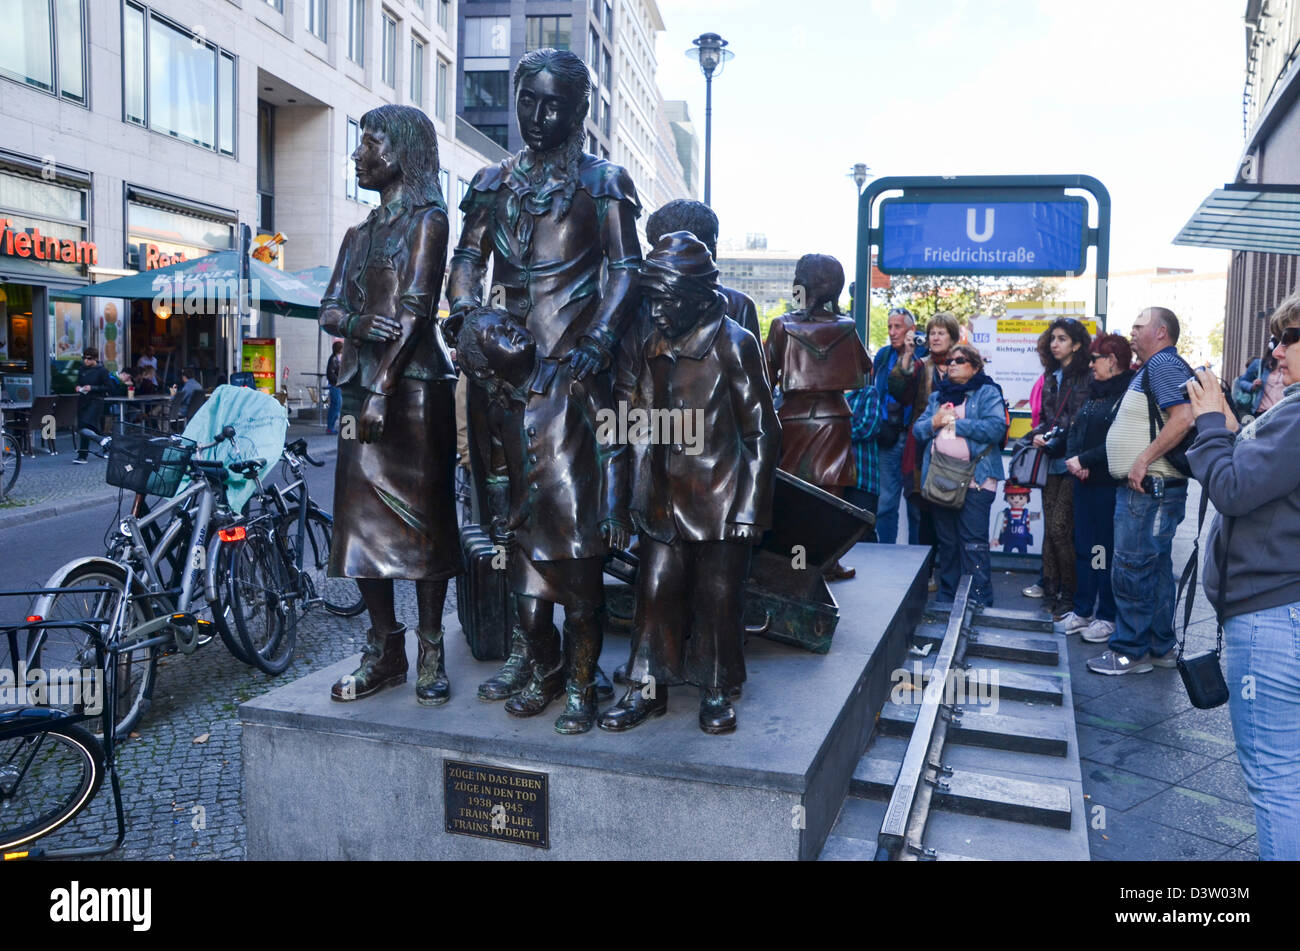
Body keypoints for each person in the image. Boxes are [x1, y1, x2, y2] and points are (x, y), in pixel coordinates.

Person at [445, 48, 643, 700]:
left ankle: (575, 665)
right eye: (528, 99)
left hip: (571, 379)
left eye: (554, 102)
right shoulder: (493, 183)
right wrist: (469, 314)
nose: (538, 114)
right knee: (507, 516)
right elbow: (468, 258)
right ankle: (532, 652)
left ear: (580, 109)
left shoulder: (601, 182)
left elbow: (626, 270)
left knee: (571, 520)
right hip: (503, 374)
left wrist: (603, 337)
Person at [598, 232, 779, 735]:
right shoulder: (648, 342)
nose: (657, 311)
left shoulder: (734, 344)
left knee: (718, 598)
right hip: (662, 498)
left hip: (719, 499)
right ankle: (648, 687)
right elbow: (627, 424)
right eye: (651, 299)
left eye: (667, 300)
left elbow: (762, 431)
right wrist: (620, 499)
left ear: (698, 297)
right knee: (654, 593)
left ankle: (716, 687)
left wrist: (748, 509)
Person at [319, 104, 460, 705]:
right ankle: (385, 646)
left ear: (399, 152)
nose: (358, 155)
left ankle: (430, 647)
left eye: (368, 143)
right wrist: (357, 322)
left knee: (424, 523)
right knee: (357, 525)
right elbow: (328, 308)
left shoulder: (428, 221)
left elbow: (418, 309)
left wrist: (382, 389)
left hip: (414, 390)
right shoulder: (359, 234)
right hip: (360, 387)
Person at [458, 307, 628, 734]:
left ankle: (581, 688)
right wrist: (502, 516)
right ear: (484, 366)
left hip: (577, 525)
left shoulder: (574, 376)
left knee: (582, 613)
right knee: (531, 618)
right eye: (497, 333)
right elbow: (497, 470)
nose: (512, 331)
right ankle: (549, 674)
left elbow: (614, 446)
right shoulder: (498, 409)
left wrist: (614, 509)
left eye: (510, 323)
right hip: (529, 531)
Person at [1183, 293, 1300, 860]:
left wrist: (1210, 426)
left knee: (1277, 782)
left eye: (1289, 337)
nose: (1276, 351)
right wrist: (1231, 431)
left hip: (1275, 617)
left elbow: (1232, 489)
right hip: (1281, 610)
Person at [1087, 307, 1194, 675]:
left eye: (1138, 326)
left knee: (1132, 566)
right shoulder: (1154, 367)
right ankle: (1159, 646)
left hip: (1149, 490)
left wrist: (1143, 460)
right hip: (1152, 489)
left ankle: (1129, 652)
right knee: (1155, 568)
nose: (1131, 332)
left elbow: (1183, 417)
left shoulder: (1163, 365)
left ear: (1161, 332)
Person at [764, 253, 870, 580]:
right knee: (832, 493)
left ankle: (793, 560)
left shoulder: (783, 324)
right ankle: (826, 561)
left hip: (794, 418)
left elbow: (766, 373)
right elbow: (866, 367)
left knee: (795, 493)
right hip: (836, 417)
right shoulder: (847, 326)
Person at [911, 344, 1007, 607]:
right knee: (948, 544)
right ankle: (946, 601)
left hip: (976, 480)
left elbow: (996, 428)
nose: (951, 364)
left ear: (975, 366)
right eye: (949, 360)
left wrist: (953, 422)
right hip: (942, 480)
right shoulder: (937, 397)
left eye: (959, 360)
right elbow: (918, 431)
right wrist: (935, 421)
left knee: (973, 545)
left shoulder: (987, 391)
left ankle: (978, 603)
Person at [1057, 332, 1135, 641]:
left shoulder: (1127, 393)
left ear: (1112, 361)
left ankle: (1105, 614)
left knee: (1102, 550)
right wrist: (1076, 459)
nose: (1090, 364)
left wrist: (1086, 460)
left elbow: (1120, 440)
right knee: (1084, 547)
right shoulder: (1095, 392)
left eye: (1095, 359)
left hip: (1107, 485)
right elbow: (1076, 429)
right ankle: (1083, 608)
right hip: (1084, 482)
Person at [1021, 317, 1091, 617]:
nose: (1055, 343)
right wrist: (1035, 435)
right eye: (1053, 338)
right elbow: (1049, 419)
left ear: (1076, 344)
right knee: (1051, 529)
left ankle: (1070, 593)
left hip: (1074, 462)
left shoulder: (1086, 377)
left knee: (1062, 528)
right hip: (1051, 460)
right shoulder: (1052, 376)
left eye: (1062, 338)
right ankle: (1052, 587)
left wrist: (1057, 437)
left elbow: (1080, 422)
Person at [643, 199, 761, 342]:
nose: (711, 256)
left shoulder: (739, 304)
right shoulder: (642, 305)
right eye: (704, 249)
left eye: (712, 247)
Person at [873, 307, 919, 545]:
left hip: (914, 438)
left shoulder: (922, 355)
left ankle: (920, 564)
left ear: (911, 329)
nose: (892, 332)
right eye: (889, 327)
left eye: (898, 326)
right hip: (888, 437)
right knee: (886, 502)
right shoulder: (882, 356)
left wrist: (912, 353)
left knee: (916, 505)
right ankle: (885, 554)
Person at [845, 377, 881, 540]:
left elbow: (867, 428)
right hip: (831, 479)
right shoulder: (827, 395)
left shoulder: (868, 392)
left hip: (862, 478)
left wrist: (831, 431)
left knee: (863, 532)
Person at [73, 347, 113, 464]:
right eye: (84, 358)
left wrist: (93, 388)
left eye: (89, 358)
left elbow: (109, 387)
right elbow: (78, 382)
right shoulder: (82, 370)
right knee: (90, 428)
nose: (86, 361)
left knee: (84, 426)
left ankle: (83, 455)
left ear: (95, 358)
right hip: (83, 401)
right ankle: (105, 443)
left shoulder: (102, 371)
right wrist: (77, 387)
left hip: (96, 401)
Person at [325, 339, 343, 434]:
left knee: (336, 406)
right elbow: (330, 374)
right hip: (335, 386)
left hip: (336, 385)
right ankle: (330, 427)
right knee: (336, 406)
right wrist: (339, 380)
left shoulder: (336, 358)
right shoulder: (333, 359)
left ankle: (330, 427)